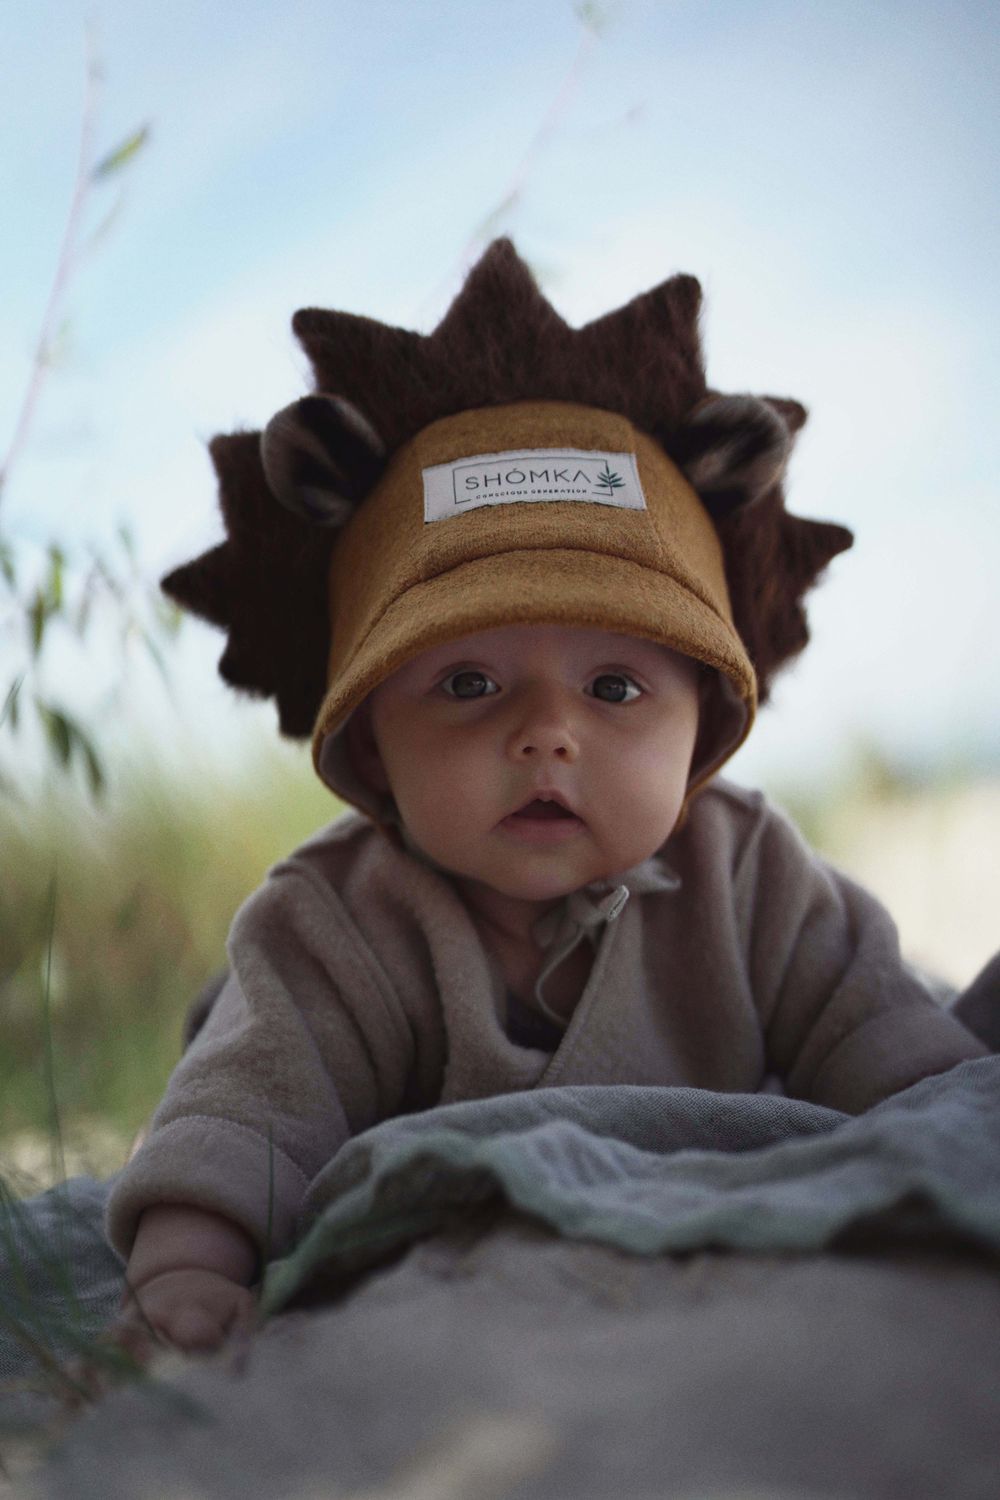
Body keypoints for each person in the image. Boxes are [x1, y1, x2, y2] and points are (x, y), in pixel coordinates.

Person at [104, 239, 987, 1353]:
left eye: (616, 686)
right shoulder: (333, 922)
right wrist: (186, 1264)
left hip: (686, 1280)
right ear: (369, 739)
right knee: (223, 1035)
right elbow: (246, 1108)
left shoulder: (750, 871)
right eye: (465, 683)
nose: (545, 734)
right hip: (463, 1306)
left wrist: (953, 1115)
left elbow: (884, 1037)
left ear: (704, 725)